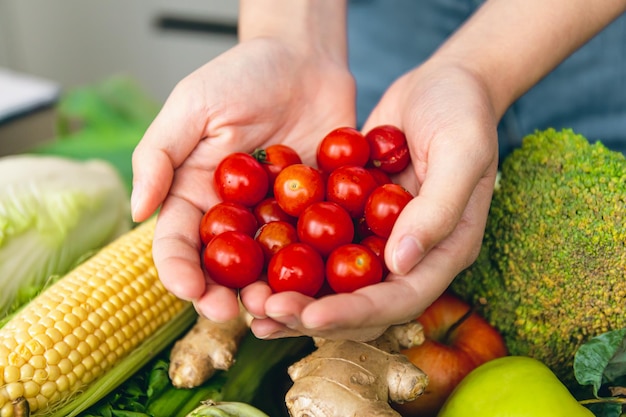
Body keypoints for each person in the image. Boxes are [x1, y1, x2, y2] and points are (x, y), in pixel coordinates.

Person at [131, 0, 626, 342]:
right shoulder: (319, 190)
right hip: (381, 22)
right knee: (425, 180)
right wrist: (291, 38)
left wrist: (480, 70)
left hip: (587, 30)